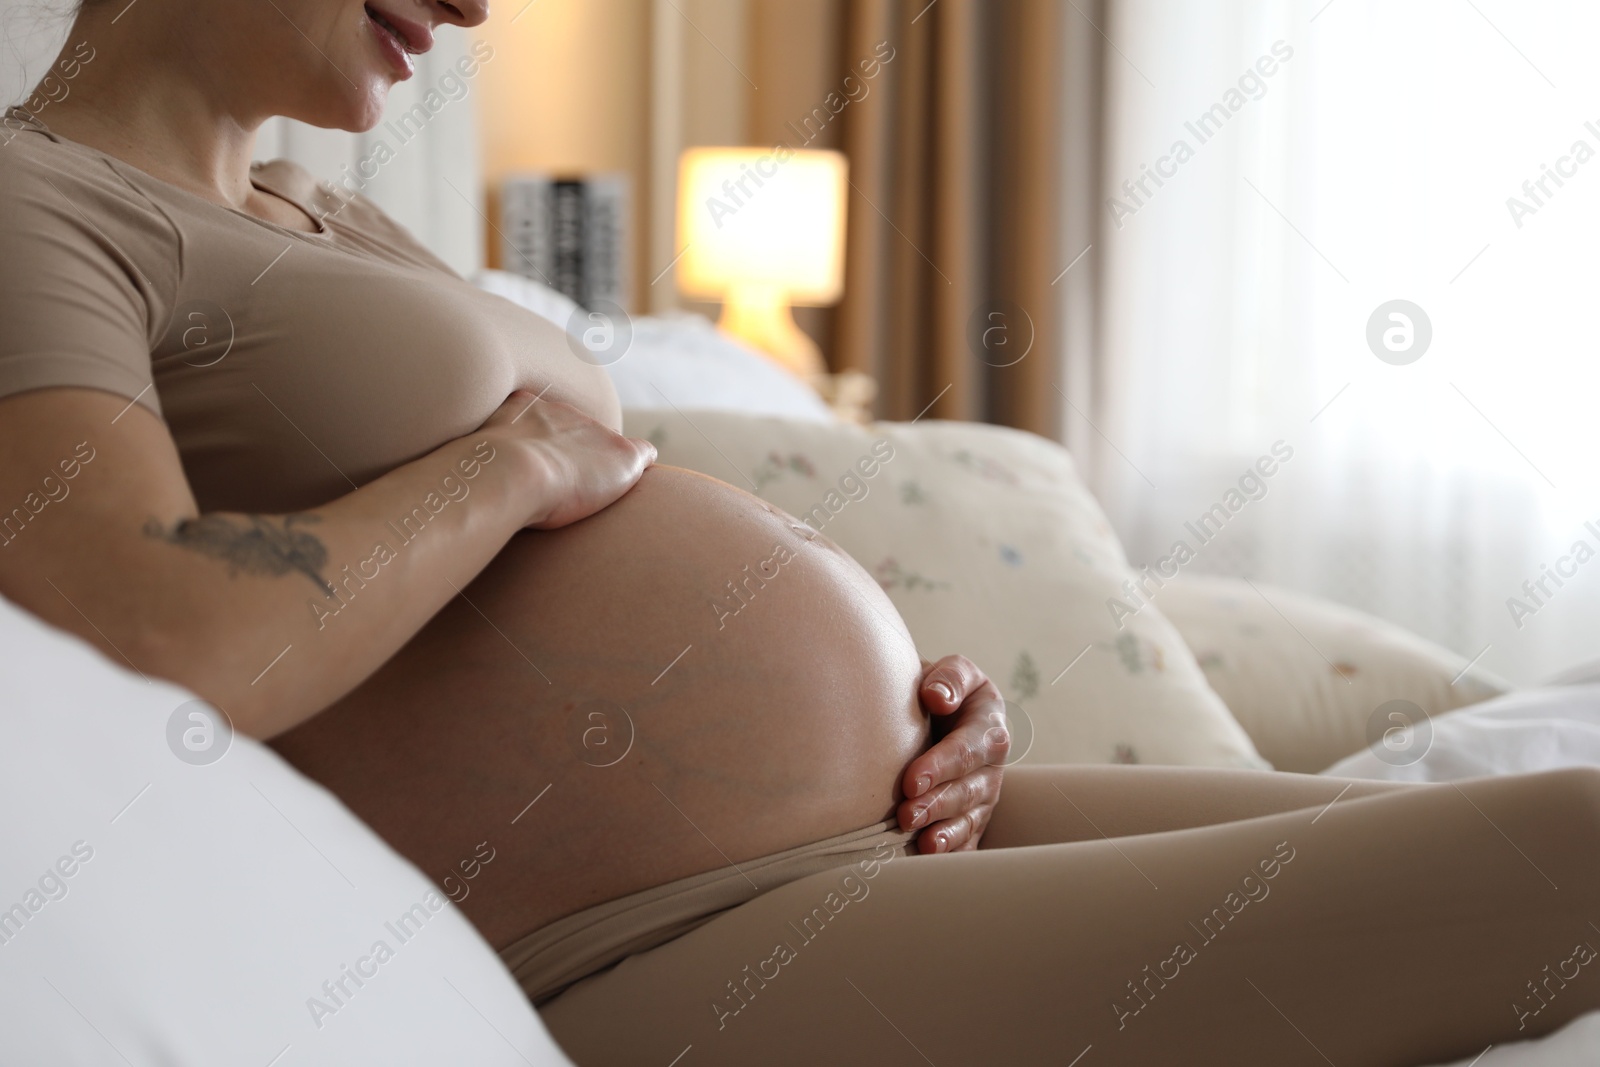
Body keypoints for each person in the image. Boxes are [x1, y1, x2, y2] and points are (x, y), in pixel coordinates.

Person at [0, 1, 1596, 1063]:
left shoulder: (326, 213)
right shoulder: (34, 202)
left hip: (887, 827)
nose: (479, 6)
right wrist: (501, 474)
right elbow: (154, 630)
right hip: (654, 942)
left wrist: (925, 707)